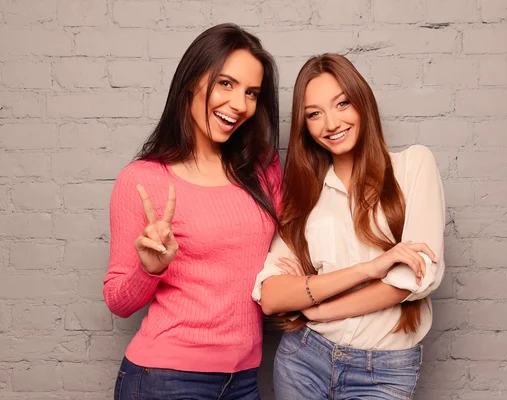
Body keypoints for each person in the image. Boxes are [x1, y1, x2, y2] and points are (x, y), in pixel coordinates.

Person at [103, 23, 281, 400]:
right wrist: (149, 269)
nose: (240, 105)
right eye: (226, 84)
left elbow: (297, 247)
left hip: (244, 378)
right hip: (164, 378)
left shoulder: (263, 171)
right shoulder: (142, 179)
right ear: (191, 81)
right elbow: (118, 302)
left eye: (251, 93)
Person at [252, 53, 445, 400]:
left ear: (362, 101)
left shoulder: (413, 167)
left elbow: (411, 279)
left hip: (384, 368)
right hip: (304, 360)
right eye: (314, 114)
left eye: (342, 103)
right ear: (304, 126)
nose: (331, 123)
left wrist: (318, 308)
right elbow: (272, 297)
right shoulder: (302, 196)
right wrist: (370, 270)